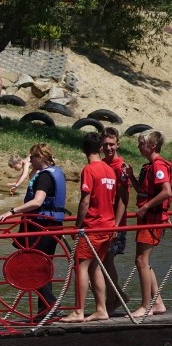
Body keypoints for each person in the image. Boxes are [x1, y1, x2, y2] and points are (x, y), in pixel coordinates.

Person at [0, 143, 66, 317]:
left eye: (32, 157)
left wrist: (11, 211)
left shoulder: (44, 177)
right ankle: (44, 309)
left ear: (39, 158)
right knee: (43, 267)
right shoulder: (53, 172)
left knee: (33, 268)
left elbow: (37, 202)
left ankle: (50, 305)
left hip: (42, 227)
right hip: (53, 226)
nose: (30, 160)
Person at [63, 132, 116, 323]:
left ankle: (78, 311)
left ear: (83, 149)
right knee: (95, 267)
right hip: (108, 226)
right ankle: (101, 309)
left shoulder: (89, 169)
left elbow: (85, 201)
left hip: (93, 226)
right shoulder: (109, 169)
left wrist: (77, 226)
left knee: (81, 267)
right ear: (101, 148)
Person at [124, 130, 169, 317]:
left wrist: (146, 207)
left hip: (152, 219)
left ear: (152, 145)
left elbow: (166, 191)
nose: (138, 146)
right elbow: (144, 192)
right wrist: (132, 176)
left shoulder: (159, 166)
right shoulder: (149, 166)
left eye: (141, 143)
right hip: (148, 217)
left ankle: (145, 306)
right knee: (143, 261)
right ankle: (157, 303)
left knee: (141, 260)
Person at [101, 127, 130, 310]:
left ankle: (114, 301)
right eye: (105, 145)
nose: (109, 148)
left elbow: (123, 198)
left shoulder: (120, 166)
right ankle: (117, 298)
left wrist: (116, 226)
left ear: (118, 144)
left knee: (107, 261)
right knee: (103, 262)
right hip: (102, 221)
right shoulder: (103, 164)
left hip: (114, 223)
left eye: (112, 144)